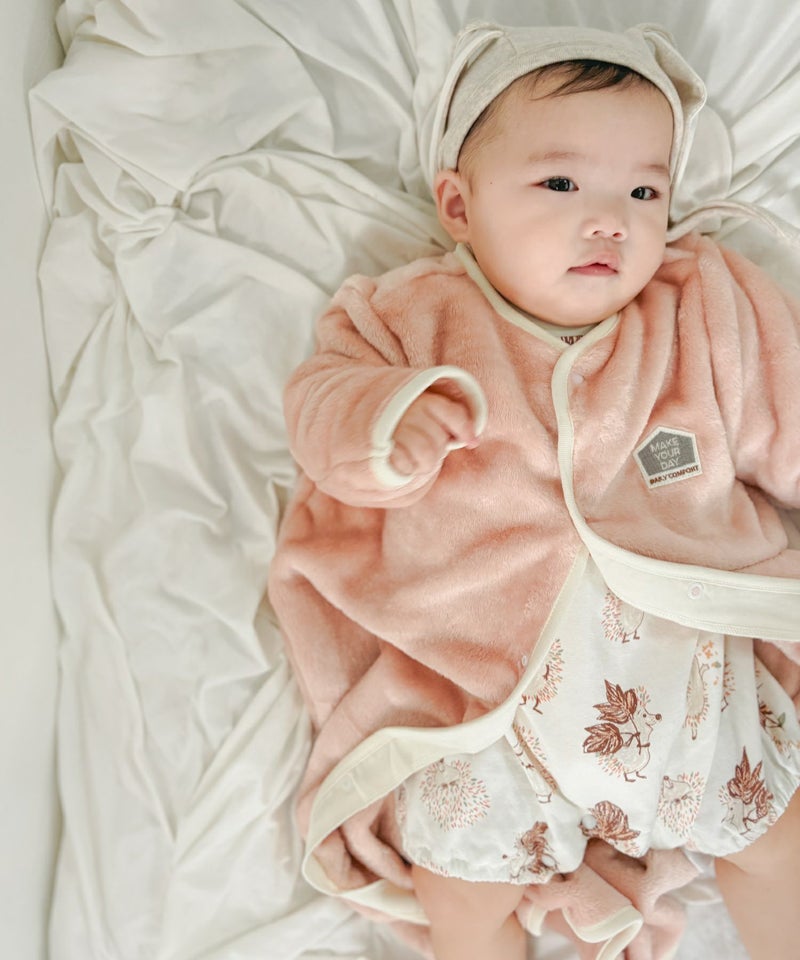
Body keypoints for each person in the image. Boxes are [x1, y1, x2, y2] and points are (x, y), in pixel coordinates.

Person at [268, 21, 800, 960]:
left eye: (644, 191)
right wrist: (388, 424)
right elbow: (320, 409)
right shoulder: (409, 316)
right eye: (561, 184)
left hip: (685, 687)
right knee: (458, 886)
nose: (611, 220)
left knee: (780, 839)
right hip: (483, 700)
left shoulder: (700, 308)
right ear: (459, 205)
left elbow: (786, 416)